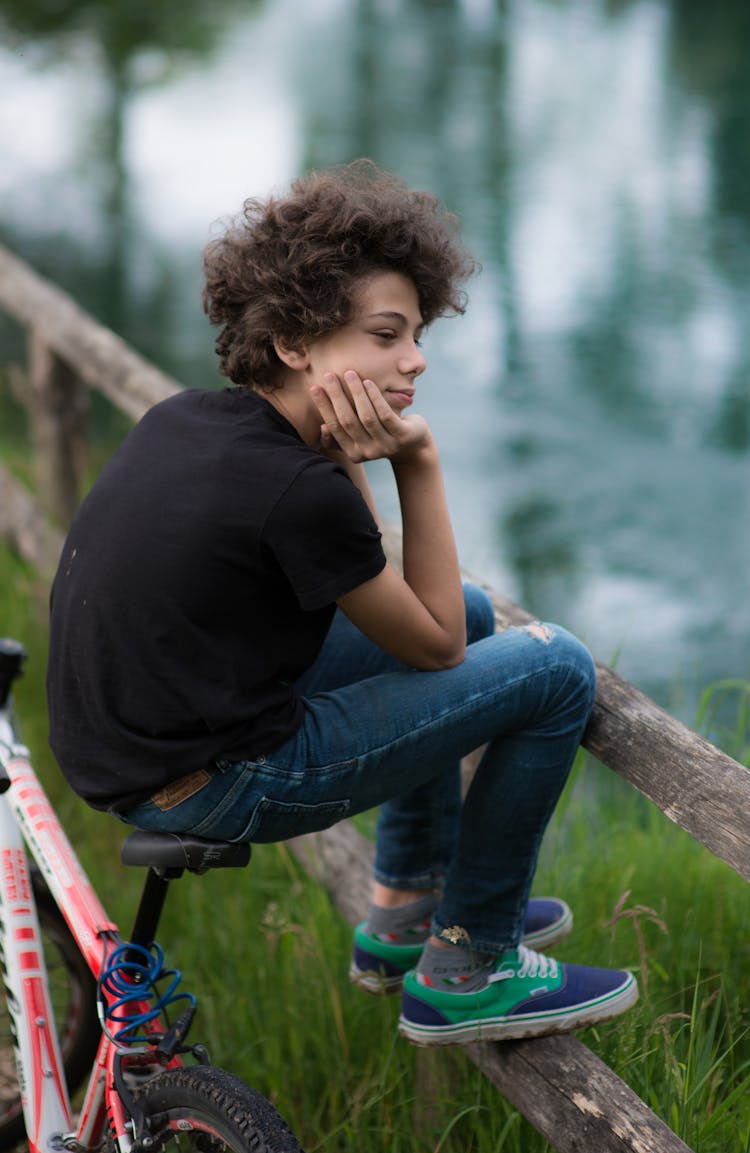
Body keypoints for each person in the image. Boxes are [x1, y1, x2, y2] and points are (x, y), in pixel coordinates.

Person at [47, 160, 638, 1046]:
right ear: (294, 342)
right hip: (210, 782)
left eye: (417, 335)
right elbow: (434, 649)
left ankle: (403, 910)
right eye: (387, 335)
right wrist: (417, 459)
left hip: (146, 749)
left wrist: (353, 454)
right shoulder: (295, 488)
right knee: (553, 665)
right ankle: (471, 963)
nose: (416, 359)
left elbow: (411, 600)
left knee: (479, 616)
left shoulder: (196, 421)